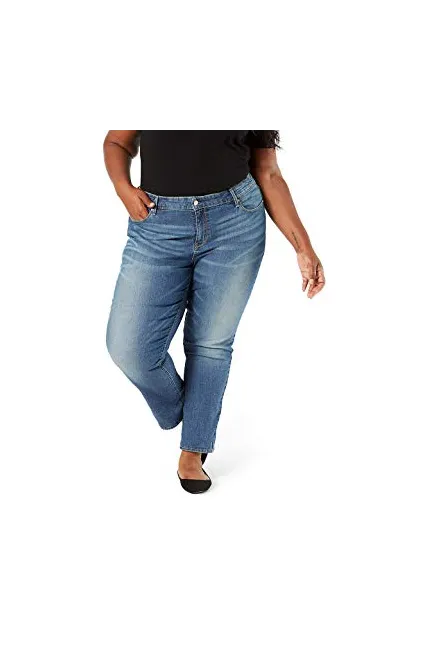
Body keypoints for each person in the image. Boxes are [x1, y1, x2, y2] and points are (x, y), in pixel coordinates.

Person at [103, 128, 325, 494]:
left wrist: (303, 247)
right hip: (157, 223)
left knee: (210, 344)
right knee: (129, 349)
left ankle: (193, 450)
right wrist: (122, 187)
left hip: (235, 221)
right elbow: (117, 141)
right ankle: (194, 411)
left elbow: (268, 171)